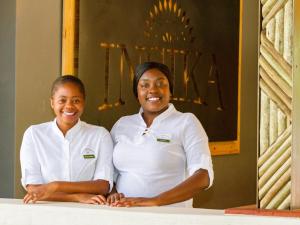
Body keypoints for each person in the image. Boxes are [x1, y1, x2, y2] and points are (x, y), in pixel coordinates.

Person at [105, 61, 214, 207]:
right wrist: (112, 193)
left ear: (170, 91)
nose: (153, 90)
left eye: (160, 84)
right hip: (124, 214)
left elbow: (203, 176)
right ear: (137, 93)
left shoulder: (186, 122)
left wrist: (155, 201)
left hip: (169, 216)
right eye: (144, 85)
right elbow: (106, 172)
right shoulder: (122, 124)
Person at [20, 75, 113, 204]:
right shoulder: (34, 134)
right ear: (52, 102)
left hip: (88, 213)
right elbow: (34, 189)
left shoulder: (100, 135)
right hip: (44, 214)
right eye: (62, 100)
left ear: (84, 102)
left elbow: (103, 186)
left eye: (76, 100)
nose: (69, 106)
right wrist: (76, 197)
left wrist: (55, 186)